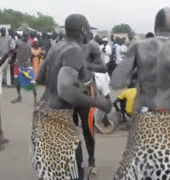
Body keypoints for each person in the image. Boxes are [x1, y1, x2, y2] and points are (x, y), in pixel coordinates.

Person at [111, 7, 170, 179]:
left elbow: (116, 82)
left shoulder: (138, 46)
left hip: (143, 118)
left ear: (155, 24)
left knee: (137, 167)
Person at [33, 14, 112, 180]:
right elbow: (66, 91)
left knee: (52, 170)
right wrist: (99, 102)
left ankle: (91, 161)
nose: (90, 33)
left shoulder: (56, 47)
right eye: (88, 28)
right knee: (72, 171)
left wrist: (79, 68)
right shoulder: (74, 50)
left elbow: (40, 78)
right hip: (61, 116)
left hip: (45, 113)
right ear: (83, 30)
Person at [72, 29, 107, 174]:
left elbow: (103, 67)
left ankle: (91, 160)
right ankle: (74, 161)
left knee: (88, 129)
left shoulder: (92, 47)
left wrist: (86, 66)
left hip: (87, 92)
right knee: (70, 129)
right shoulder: (66, 46)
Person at [11, 31, 37, 106]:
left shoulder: (30, 43)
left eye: (27, 36)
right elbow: (13, 51)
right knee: (17, 81)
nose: (25, 37)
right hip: (18, 64)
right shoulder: (18, 42)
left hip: (27, 65)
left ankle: (35, 100)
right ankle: (19, 97)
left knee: (32, 82)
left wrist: (29, 59)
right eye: (24, 36)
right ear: (22, 36)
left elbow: (32, 53)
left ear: (28, 37)